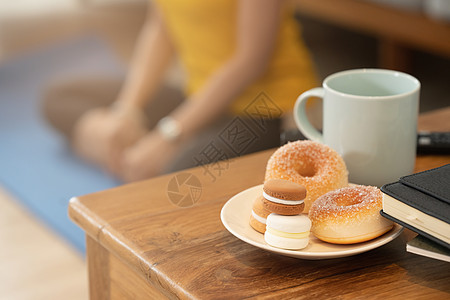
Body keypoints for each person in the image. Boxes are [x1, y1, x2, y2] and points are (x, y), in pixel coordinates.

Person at [43, 0, 318, 182]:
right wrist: (126, 112)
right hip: (199, 95)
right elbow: (160, 28)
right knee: (59, 98)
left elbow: (252, 60)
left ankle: (133, 155)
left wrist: (168, 136)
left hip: (266, 107)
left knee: (179, 181)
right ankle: (129, 152)